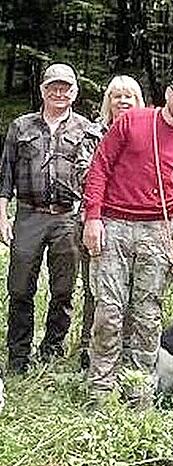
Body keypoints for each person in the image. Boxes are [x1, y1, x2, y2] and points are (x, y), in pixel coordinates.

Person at [82, 68, 173, 404]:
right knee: (110, 310)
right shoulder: (132, 122)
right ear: (168, 92)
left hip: (157, 232)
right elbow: (99, 168)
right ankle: (100, 388)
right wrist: (93, 218)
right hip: (113, 225)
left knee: (147, 314)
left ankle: (138, 390)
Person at [0, 63, 92, 374]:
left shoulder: (86, 129)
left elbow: (94, 178)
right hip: (28, 215)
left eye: (65, 87)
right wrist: (2, 216)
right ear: (42, 90)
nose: (59, 92)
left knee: (64, 289)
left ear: (74, 92)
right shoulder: (20, 126)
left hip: (67, 218)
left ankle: (52, 350)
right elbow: (5, 177)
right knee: (20, 288)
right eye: (53, 86)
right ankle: (18, 356)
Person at [75, 75, 146, 369]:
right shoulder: (94, 134)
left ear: (138, 101)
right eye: (117, 96)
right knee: (98, 289)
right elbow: (85, 174)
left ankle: (127, 350)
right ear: (109, 101)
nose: (123, 101)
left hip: (137, 224)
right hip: (98, 221)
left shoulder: (148, 133)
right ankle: (89, 350)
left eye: (129, 96)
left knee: (133, 290)